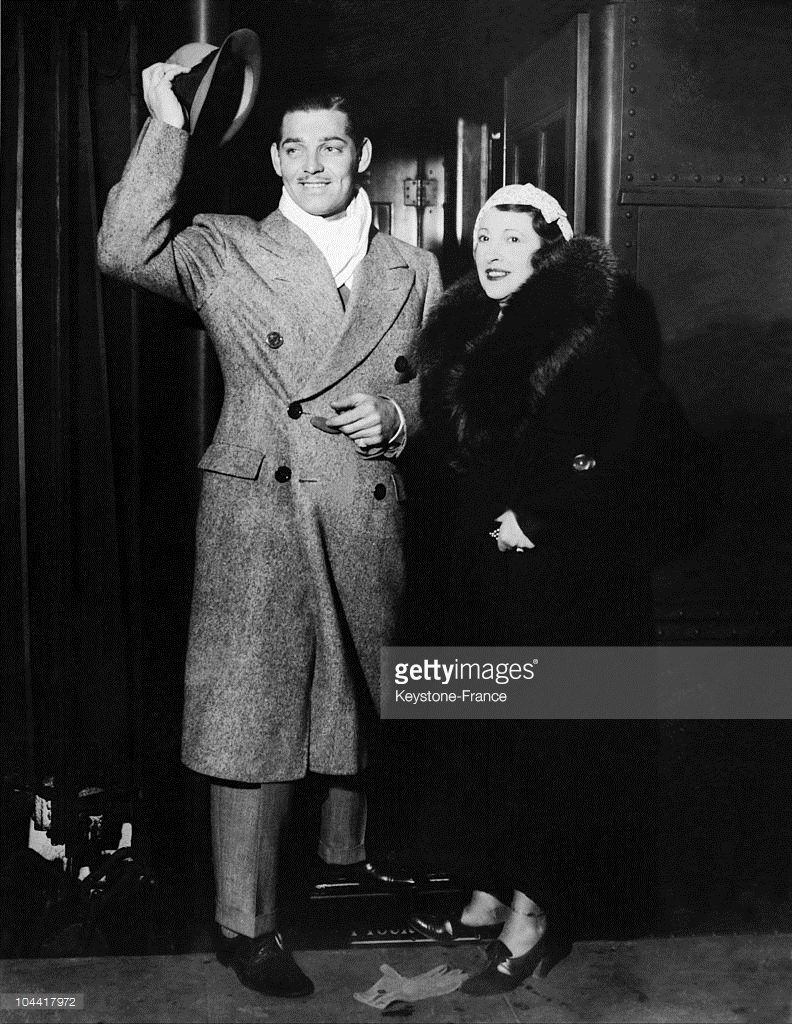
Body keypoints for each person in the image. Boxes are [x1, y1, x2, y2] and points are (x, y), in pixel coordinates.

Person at [97, 62, 441, 998]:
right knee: (252, 718)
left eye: (332, 146)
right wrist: (165, 122)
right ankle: (244, 925)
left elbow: (434, 385)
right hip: (260, 507)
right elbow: (123, 248)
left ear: (362, 156)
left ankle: (343, 866)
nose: (313, 163)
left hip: (363, 504)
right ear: (278, 160)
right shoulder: (227, 244)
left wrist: (398, 416)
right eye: (295, 148)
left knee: (352, 703)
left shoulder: (415, 264)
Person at [407, 183, 699, 995]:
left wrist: (538, 518)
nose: (494, 253)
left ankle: (532, 917)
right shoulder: (476, 328)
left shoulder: (590, 338)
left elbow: (637, 457)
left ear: (550, 250)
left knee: (543, 746)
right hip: (484, 573)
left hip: (554, 578)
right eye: (483, 237)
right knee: (482, 730)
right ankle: (488, 884)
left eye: (513, 239)